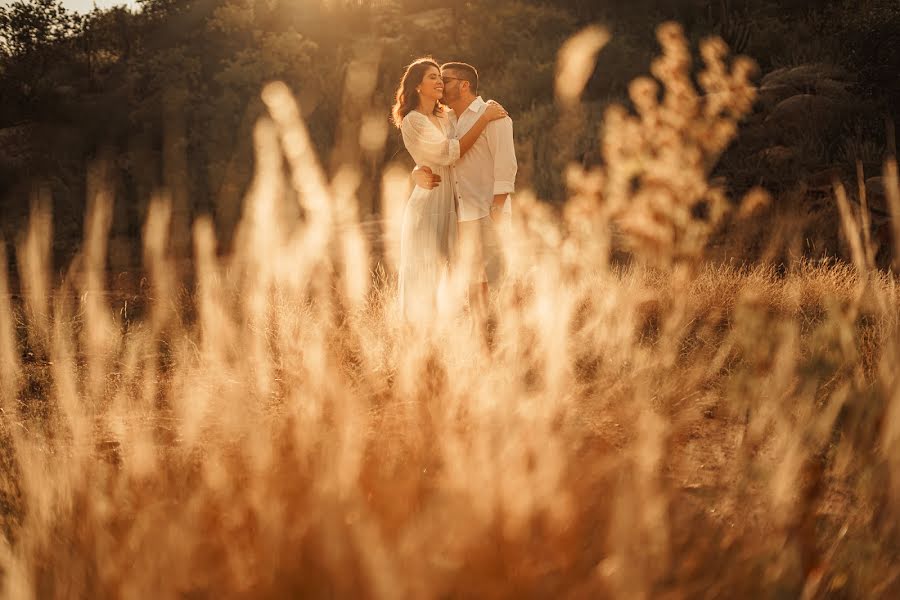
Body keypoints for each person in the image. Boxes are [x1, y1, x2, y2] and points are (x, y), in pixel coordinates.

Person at [390, 57, 508, 320]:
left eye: (440, 77)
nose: (439, 81)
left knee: (463, 268)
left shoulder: (444, 116)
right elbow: (447, 153)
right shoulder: (413, 120)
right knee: (425, 272)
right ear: (417, 86)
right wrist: (485, 118)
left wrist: (487, 113)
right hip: (429, 203)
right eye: (432, 76)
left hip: (453, 202)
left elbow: (467, 115)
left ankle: (472, 331)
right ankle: (419, 340)